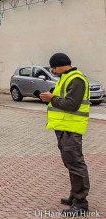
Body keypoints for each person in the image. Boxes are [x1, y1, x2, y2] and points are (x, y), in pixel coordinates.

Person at [39, 53, 91, 216]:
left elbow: (72, 104)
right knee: (70, 163)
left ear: (62, 65)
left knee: (76, 164)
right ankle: (75, 196)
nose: (53, 70)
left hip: (71, 128)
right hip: (64, 127)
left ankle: (81, 203)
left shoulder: (76, 79)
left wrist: (52, 98)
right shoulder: (66, 77)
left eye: (54, 67)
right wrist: (51, 98)